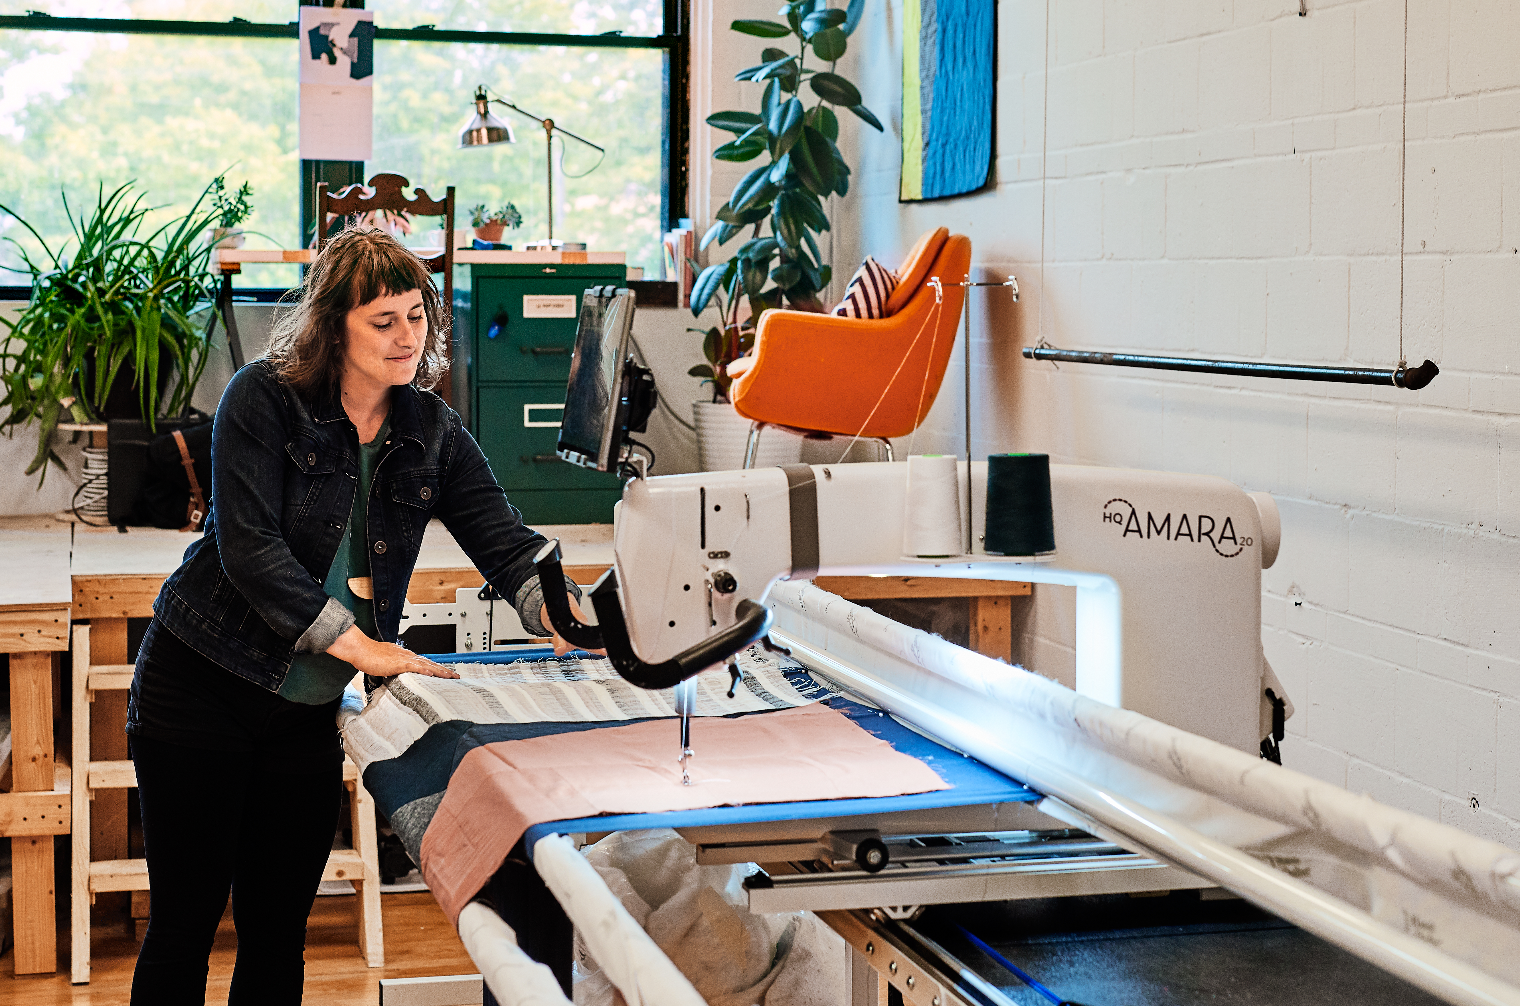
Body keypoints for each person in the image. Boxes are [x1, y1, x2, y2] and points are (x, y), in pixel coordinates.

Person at [126, 227, 587, 1005]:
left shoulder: (432, 431)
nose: (408, 337)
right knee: (185, 924)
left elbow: (507, 544)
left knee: (278, 935)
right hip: (200, 687)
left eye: (417, 317)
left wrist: (563, 613)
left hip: (301, 715)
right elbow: (250, 551)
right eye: (384, 321)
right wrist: (361, 646)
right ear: (332, 326)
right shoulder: (262, 398)